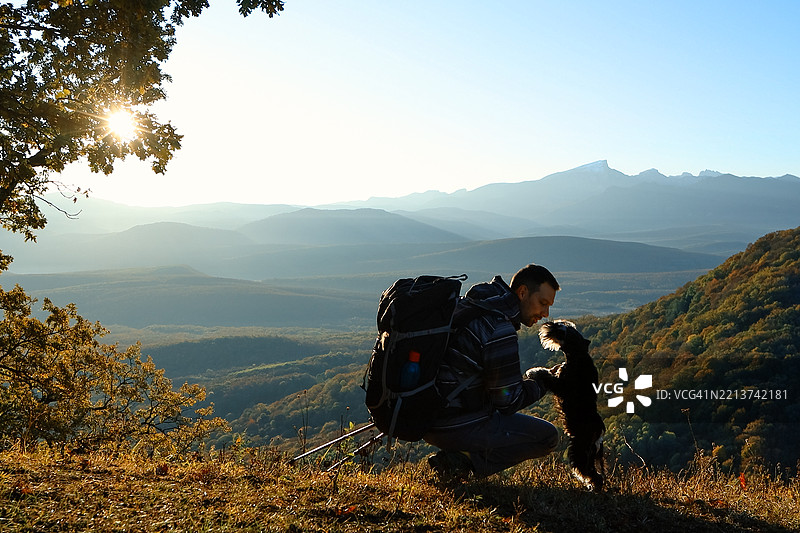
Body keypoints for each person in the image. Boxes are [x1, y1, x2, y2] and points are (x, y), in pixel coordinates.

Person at [424, 263, 561, 481]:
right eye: (542, 303)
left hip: (427, 415)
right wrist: (544, 381)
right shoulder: (499, 328)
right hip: (453, 422)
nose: (545, 314)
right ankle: (462, 464)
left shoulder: (476, 305)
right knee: (547, 437)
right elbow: (508, 402)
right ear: (522, 292)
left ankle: (458, 458)